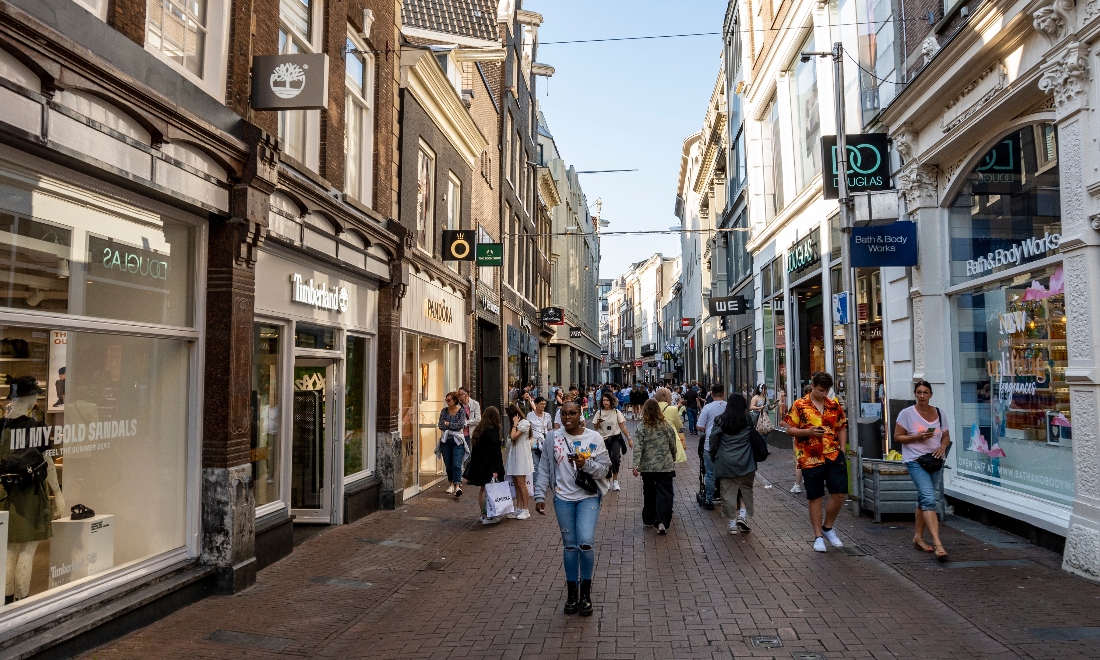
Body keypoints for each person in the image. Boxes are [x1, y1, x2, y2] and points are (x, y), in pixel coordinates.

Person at [534, 402, 610, 617]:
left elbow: (605, 470)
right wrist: (540, 495)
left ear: (580, 415)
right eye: (564, 414)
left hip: (588, 497)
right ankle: (571, 594)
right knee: (570, 546)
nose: (568, 417)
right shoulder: (553, 438)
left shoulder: (594, 438)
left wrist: (585, 465)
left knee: (585, 542)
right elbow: (544, 468)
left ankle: (585, 594)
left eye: (573, 413)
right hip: (563, 498)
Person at [784, 371, 848, 553]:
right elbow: (789, 429)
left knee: (840, 493)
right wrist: (808, 432)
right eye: (820, 390)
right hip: (810, 456)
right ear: (813, 386)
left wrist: (842, 449)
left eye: (827, 390)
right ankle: (818, 535)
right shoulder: (800, 405)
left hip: (833, 455)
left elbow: (842, 426)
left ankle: (828, 527)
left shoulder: (833, 405)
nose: (824, 394)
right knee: (815, 496)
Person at [895, 380, 952, 559]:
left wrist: (942, 447)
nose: (922, 396)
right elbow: (897, 437)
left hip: (935, 461)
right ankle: (938, 543)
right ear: (915, 394)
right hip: (915, 460)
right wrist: (917, 437)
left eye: (925, 392)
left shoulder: (939, 413)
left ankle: (918, 537)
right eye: (919, 392)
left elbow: (946, 436)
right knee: (929, 499)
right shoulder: (906, 414)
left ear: (930, 394)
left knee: (923, 498)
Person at [709, 394, 759, 535]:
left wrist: (713, 454)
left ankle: (732, 523)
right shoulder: (749, 419)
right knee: (745, 488)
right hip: (746, 461)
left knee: (728, 491)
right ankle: (742, 515)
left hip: (726, 462)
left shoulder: (720, 420)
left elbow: (713, 440)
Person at [631, 399, 679, 534]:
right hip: (665, 465)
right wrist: (673, 457)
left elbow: (638, 447)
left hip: (648, 467)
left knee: (649, 492)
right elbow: (672, 444)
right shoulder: (666, 425)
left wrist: (636, 464)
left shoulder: (642, 427)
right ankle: (662, 521)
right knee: (665, 493)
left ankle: (649, 518)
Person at [464, 406, 505, 524]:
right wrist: (495, 469)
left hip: (479, 464)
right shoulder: (491, 430)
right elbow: (493, 452)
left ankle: (483, 514)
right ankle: (489, 514)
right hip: (488, 465)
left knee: (483, 489)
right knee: (490, 489)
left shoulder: (480, 429)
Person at [694, 383, 727, 510]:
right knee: (725, 473)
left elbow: (699, 427)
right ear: (723, 393)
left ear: (712, 394)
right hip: (725, 445)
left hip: (710, 445)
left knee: (709, 474)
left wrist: (708, 428)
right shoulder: (729, 406)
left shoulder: (707, 408)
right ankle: (725, 498)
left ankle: (709, 500)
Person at [593, 391, 632, 491]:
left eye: (607, 400)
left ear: (611, 401)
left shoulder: (616, 412)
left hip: (615, 438)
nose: (605, 402)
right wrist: (599, 422)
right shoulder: (599, 413)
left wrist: (629, 439)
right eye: (604, 400)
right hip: (603, 439)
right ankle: (607, 480)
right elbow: (596, 427)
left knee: (615, 458)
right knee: (606, 460)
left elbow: (622, 426)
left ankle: (615, 481)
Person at [504, 404, 533, 519]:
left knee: (521, 483)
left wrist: (515, 424)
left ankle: (526, 509)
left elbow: (514, 436)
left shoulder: (524, 423)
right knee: (516, 483)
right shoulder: (516, 425)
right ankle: (519, 507)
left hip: (521, 456)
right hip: (515, 454)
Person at [437, 392, 468, 497]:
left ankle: (457, 486)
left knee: (456, 464)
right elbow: (440, 425)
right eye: (446, 400)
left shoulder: (461, 411)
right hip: (446, 441)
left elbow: (460, 426)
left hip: (457, 441)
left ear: (455, 400)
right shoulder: (444, 411)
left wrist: (449, 424)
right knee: (449, 465)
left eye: (449, 400)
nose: (447, 402)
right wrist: (449, 425)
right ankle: (451, 483)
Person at [527, 397, 553, 492]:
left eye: (544, 404)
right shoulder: (530, 415)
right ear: (536, 404)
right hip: (534, 443)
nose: (543, 406)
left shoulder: (547, 416)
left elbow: (550, 429)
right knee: (535, 464)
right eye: (541, 404)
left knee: (545, 463)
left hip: (545, 443)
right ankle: (538, 485)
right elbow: (527, 429)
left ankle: (545, 483)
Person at [654, 387, 687, 460]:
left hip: (655, 439)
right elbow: (679, 426)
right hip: (671, 441)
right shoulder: (672, 409)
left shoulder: (652, 408)